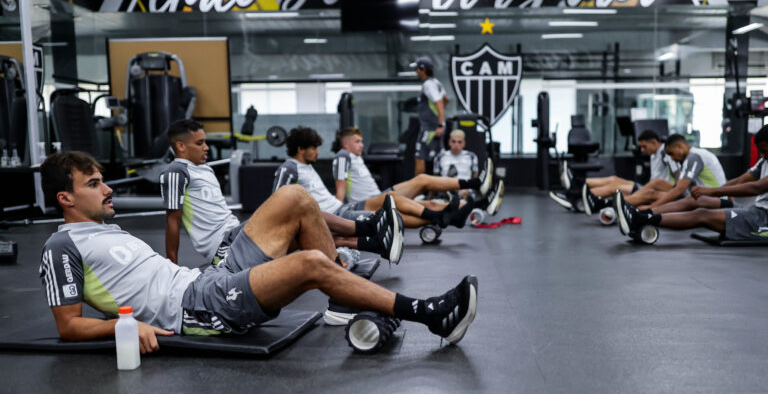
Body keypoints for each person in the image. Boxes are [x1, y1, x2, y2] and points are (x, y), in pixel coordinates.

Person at [37, 151, 479, 353]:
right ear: (65, 199)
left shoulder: (108, 229)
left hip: (203, 279)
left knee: (294, 197)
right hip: (197, 310)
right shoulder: (61, 246)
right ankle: (430, 314)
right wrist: (123, 327)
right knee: (308, 263)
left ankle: (347, 297)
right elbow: (69, 326)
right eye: (94, 184)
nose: (108, 188)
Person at [160, 119, 401, 265]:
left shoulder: (204, 170)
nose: (206, 147)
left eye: (205, 141)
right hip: (224, 247)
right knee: (301, 204)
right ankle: (369, 226)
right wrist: (173, 268)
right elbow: (173, 221)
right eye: (199, 143)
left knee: (314, 233)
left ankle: (375, 245)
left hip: (236, 233)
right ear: (180, 146)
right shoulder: (176, 172)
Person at [274, 126, 479, 230]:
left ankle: (449, 217)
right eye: (313, 148)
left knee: (404, 207)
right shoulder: (290, 167)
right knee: (395, 198)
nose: (318, 153)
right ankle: (442, 216)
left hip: (341, 209)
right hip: (339, 211)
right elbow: (277, 200)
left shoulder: (307, 166)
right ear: (301, 149)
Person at [614, 125, 768, 242]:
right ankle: (640, 215)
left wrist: (713, 192)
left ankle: (639, 217)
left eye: (764, 150)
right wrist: (716, 191)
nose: (762, 155)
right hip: (755, 211)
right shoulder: (764, 160)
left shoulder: (694, 156)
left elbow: (758, 187)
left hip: (763, 220)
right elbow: (742, 180)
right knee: (695, 200)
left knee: (701, 214)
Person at [332, 126, 503, 214]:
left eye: (361, 141)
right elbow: (340, 192)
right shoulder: (342, 156)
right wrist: (341, 216)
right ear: (345, 144)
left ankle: (481, 204)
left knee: (430, 204)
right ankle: (478, 182)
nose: (362, 145)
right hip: (369, 204)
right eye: (357, 141)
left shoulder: (355, 157)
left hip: (378, 198)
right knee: (422, 180)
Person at [552, 129, 680, 214]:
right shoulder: (654, 154)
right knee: (613, 178)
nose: (642, 150)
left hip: (653, 190)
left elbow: (678, 179)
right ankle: (576, 182)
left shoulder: (666, 152)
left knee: (614, 186)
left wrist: (674, 190)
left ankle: (575, 198)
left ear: (654, 142)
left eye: (644, 146)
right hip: (648, 186)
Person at [411, 56, 449, 176]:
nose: (416, 71)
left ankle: (417, 193)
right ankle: (435, 192)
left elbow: (439, 103)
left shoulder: (428, 85)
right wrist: (439, 117)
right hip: (434, 127)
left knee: (420, 157)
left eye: (417, 69)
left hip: (430, 128)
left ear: (423, 70)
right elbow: (445, 100)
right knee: (438, 160)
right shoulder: (436, 82)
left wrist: (439, 124)